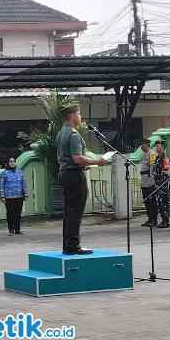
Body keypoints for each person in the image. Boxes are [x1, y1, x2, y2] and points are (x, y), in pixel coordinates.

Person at [56, 103, 106, 255]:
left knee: (69, 211)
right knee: (76, 211)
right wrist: (97, 161)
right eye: (78, 114)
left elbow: (65, 158)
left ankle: (68, 244)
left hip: (65, 172)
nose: (80, 117)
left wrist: (84, 165)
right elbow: (77, 158)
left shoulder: (61, 133)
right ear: (71, 116)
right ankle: (73, 245)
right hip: (74, 174)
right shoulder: (73, 134)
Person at [0, 157, 28, 236]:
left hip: (19, 195)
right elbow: (1, 185)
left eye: (14, 161)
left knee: (18, 213)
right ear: (7, 163)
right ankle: (11, 229)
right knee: (10, 213)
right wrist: (2, 196)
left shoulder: (20, 172)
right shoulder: (4, 173)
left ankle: (17, 229)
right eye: (10, 161)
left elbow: (24, 184)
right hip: (8, 196)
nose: (12, 163)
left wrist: (26, 194)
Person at [152, 140, 170, 229]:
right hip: (157, 183)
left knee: (164, 202)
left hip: (163, 184)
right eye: (156, 146)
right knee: (159, 202)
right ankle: (163, 219)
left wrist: (162, 182)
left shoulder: (165, 158)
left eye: (158, 146)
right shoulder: (157, 157)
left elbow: (166, 171)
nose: (156, 148)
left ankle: (166, 220)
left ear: (163, 147)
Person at [139, 139, 158, 227]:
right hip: (144, 180)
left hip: (149, 180)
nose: (141, 147)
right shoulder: (145, 154)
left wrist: (152, 182)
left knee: (151, 201)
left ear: (147, 145)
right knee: (147, 201)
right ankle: (150, 218)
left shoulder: (151, 154)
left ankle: (153, 219)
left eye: (142, 145)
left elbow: (152, 169)